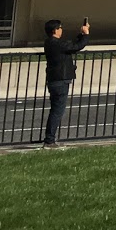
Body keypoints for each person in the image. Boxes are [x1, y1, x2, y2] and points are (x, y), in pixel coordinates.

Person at [43, 17, 90, 148]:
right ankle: (49, 140)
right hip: (60, 80)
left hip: (54, 79)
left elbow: (71, 45)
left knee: (55, 110)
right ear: (55, 30)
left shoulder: (50, 43)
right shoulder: (56, 44)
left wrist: (81, 34)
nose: (61, 30)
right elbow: (76, 46)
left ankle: (50, 139)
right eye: (60, 28)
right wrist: (86, 35)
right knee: (57, 111)